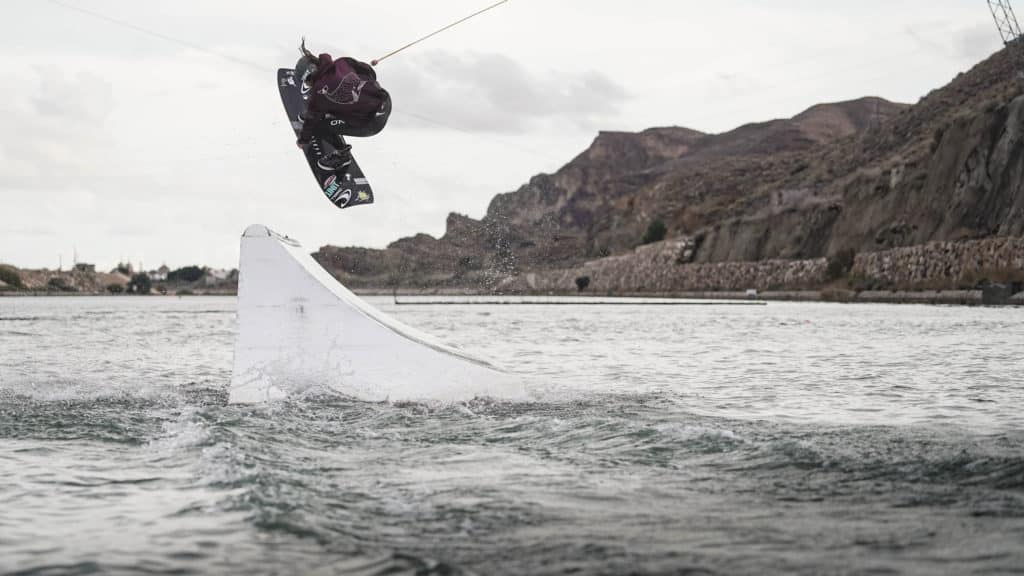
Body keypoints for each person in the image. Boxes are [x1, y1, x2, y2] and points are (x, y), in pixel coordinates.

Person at [294, 40, 392, 173]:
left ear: (310, 75)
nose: (308, 85)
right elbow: (368, 71)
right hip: (384, 100)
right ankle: (332, 112)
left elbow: (312, 119)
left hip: (372, 123)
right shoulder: (342, 62)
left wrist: (303, 140)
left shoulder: (319, 92)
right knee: (331, 105)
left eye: (307, 82)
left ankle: (342, 155)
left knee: (319, 126)